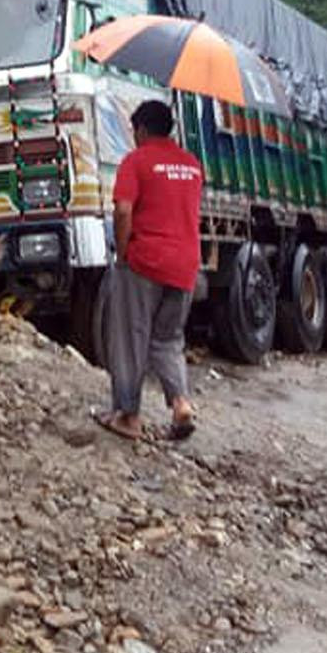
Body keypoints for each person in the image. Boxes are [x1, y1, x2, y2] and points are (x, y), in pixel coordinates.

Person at [93, 100, 202, 443]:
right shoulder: (192, 165)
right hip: (185, 264)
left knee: (130, 337)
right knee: (168, 339)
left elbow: (124, 211)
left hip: (145, 261)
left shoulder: (136, 161)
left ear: (140, 129)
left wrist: (123, 254)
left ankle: (128, 415)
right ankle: (181, 403)